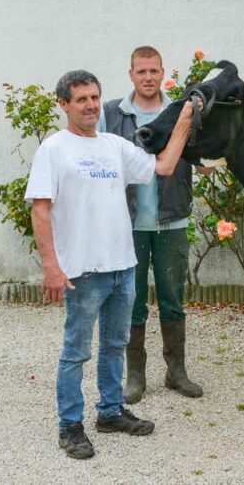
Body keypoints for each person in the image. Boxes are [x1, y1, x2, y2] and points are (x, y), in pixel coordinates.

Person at [25, 69, 195, 459]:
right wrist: (51, 267)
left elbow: (165, 165)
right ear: (64, 104)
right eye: (81, 99)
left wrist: (185, 119)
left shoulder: (114, 146)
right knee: (76, 351)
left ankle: (111, 411)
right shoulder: (54, 149)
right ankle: (70, 426)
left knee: (115, 345)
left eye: (94, 97)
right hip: (83, 272)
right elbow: (40, 209)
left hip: (122, 266)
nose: (90, 105)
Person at [98, 46, 210, 404]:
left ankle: (176, 371)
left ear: (163, 74)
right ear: (131, 74)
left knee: (173, 299)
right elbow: (96, 157)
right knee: (131, 301)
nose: (148, 77)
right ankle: (135, 376)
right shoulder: (111, 114)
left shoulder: (179, 113)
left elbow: (202, 159)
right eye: (141, 71)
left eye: (154, 71)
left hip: (171, 222)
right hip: (127, 226)